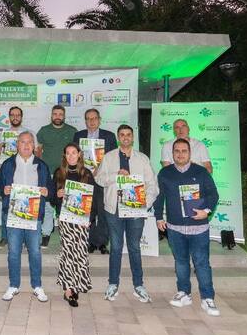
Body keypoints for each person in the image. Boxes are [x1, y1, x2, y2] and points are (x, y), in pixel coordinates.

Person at [154, 138, 220, 316]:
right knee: (181, 262)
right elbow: (159, 197)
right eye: (177, 151)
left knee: (201, 263)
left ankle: (208, 298)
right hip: (175, 228)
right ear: (172, 153)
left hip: (198, 228)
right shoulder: (165, 173)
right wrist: (159, 217)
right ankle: (184, 293)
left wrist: (206, 211)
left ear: (190, 153)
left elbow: (213, 194)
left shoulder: (201, 172)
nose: (180, 154)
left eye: (184, 151)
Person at [95, 124, 158, 303]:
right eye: (122, 135)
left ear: (133, 137)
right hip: (114, 209)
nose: (125, 137)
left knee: (134, 247)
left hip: (136, 208)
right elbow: (99, 178)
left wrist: (145, 204)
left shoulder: (142, 159)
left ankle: (138, 285)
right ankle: (113, 284)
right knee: (115, 247)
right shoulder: (108, 157)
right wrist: (116, 176)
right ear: (118, 138)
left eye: (128, 134)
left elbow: (152, 185)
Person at [0, 131, 52, 303]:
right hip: (14, 215)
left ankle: (37, 286)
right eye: (22, 142)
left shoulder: (42, 165)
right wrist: (3, 190)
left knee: (35, 251)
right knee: (13, 252)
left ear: (34, 145)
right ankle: (14, 285)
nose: (26, 145)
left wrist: (47, 191)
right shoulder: (8, 164)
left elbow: (50, 188)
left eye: (29, 142)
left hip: (34, 216)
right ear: (17, 145)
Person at [49, 143, 97, 307]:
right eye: (68, 153)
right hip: (65, 219)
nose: (71, 156)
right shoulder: (58, 173)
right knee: (68, 253)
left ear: (79, 154)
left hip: (82, 220)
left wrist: (91, 219)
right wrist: (57, 194)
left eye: (74, 153)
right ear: (64, 156)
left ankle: (77, 284)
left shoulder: (87, 173)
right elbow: (52, 199)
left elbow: (94, 199)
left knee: (80, 253)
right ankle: (69, 289)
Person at [73, 108, 117, 254]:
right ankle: (90, 241)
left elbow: (114, 157)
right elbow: (73, 156)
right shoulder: (78, 135)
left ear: (99, 120)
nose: (91, 121)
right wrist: (83, 168)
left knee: (103, 211)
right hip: (84, 179)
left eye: (94, 118)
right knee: (87, 211)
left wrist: (100, 167)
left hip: (103, 178)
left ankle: (102, 242)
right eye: (88, 119)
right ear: (85, 121)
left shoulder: (109, 136)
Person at [0, 106, 37, 248]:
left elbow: (36, 153)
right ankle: (4, 236)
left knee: (26, 204)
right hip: (9, 171)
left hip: (26, 170)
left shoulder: (30, 133)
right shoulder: (4, 133)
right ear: (9, 117)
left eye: (18, 115)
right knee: (6, 205)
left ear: (21, 117)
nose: (15, 117)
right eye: (12, 115)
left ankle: (25, 238)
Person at [36, 105, 77, 247]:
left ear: (64, 116)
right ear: (51, 115)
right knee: (48, 204)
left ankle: (68, 235)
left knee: (66, 204)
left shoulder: (72, 131)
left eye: (60, 114)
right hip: (47, 173)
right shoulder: (43, 131)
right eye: (55, 114)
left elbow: (75, 153)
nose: (58, 116)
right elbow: (38, 151)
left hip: (66, 173)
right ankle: (46, 233)